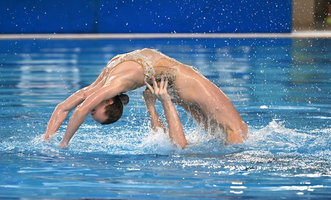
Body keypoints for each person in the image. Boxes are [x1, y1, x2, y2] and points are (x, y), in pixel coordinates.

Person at [43, 48, 248, 149]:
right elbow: (64, 107)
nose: (88, 108)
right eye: (92, 111)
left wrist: (63, 144)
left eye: (92, 111)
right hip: (172, 87)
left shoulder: (111, 84)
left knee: (235, 131)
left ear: (109, 101)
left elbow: (73, 109)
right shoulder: (103, 85)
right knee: (225, 133)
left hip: (183, 82)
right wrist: (46, 139)